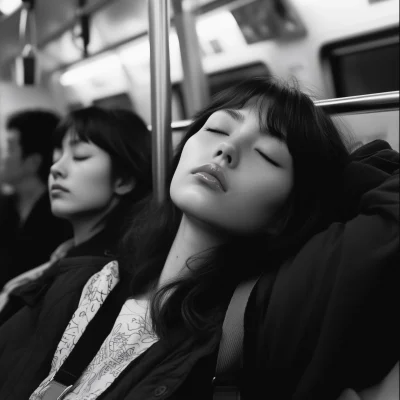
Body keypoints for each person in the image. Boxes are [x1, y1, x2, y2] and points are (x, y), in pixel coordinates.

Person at [0, 77, 397, 400]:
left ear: (287, 213)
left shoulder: (263, 319)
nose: (226, 149)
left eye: (267, 155)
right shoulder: (75, 284)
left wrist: (327, 180)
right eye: (217, 129)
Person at [0, 106, 152, 325]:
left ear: (124, 179)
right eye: (57, 155)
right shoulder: (66, 253)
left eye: (79, 156)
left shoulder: (102, 276)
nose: (56, 168)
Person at [0, 110, 72, 289]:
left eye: (9, 149)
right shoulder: (5, 206)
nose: (2, 157)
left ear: (33, 161)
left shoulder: (62, 219)